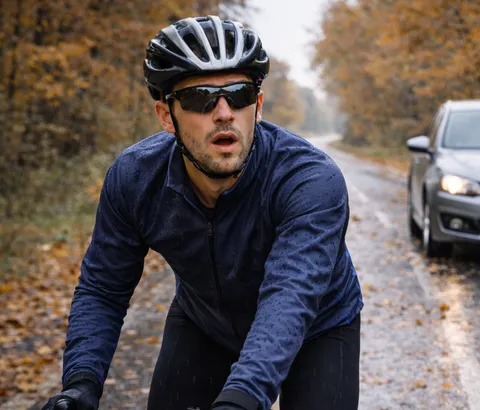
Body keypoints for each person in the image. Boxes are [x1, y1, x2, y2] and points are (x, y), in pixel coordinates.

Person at [42, 15, 363, 410]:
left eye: (240, 94)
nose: (225, 112)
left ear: (258, 106)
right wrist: (81, 384)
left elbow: (290, 298)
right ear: (166, 116)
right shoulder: (136, 179)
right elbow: (104, 288)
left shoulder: (309, 180)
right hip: (205, 323)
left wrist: (242, 397)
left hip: (318, 327)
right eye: (200, 98)